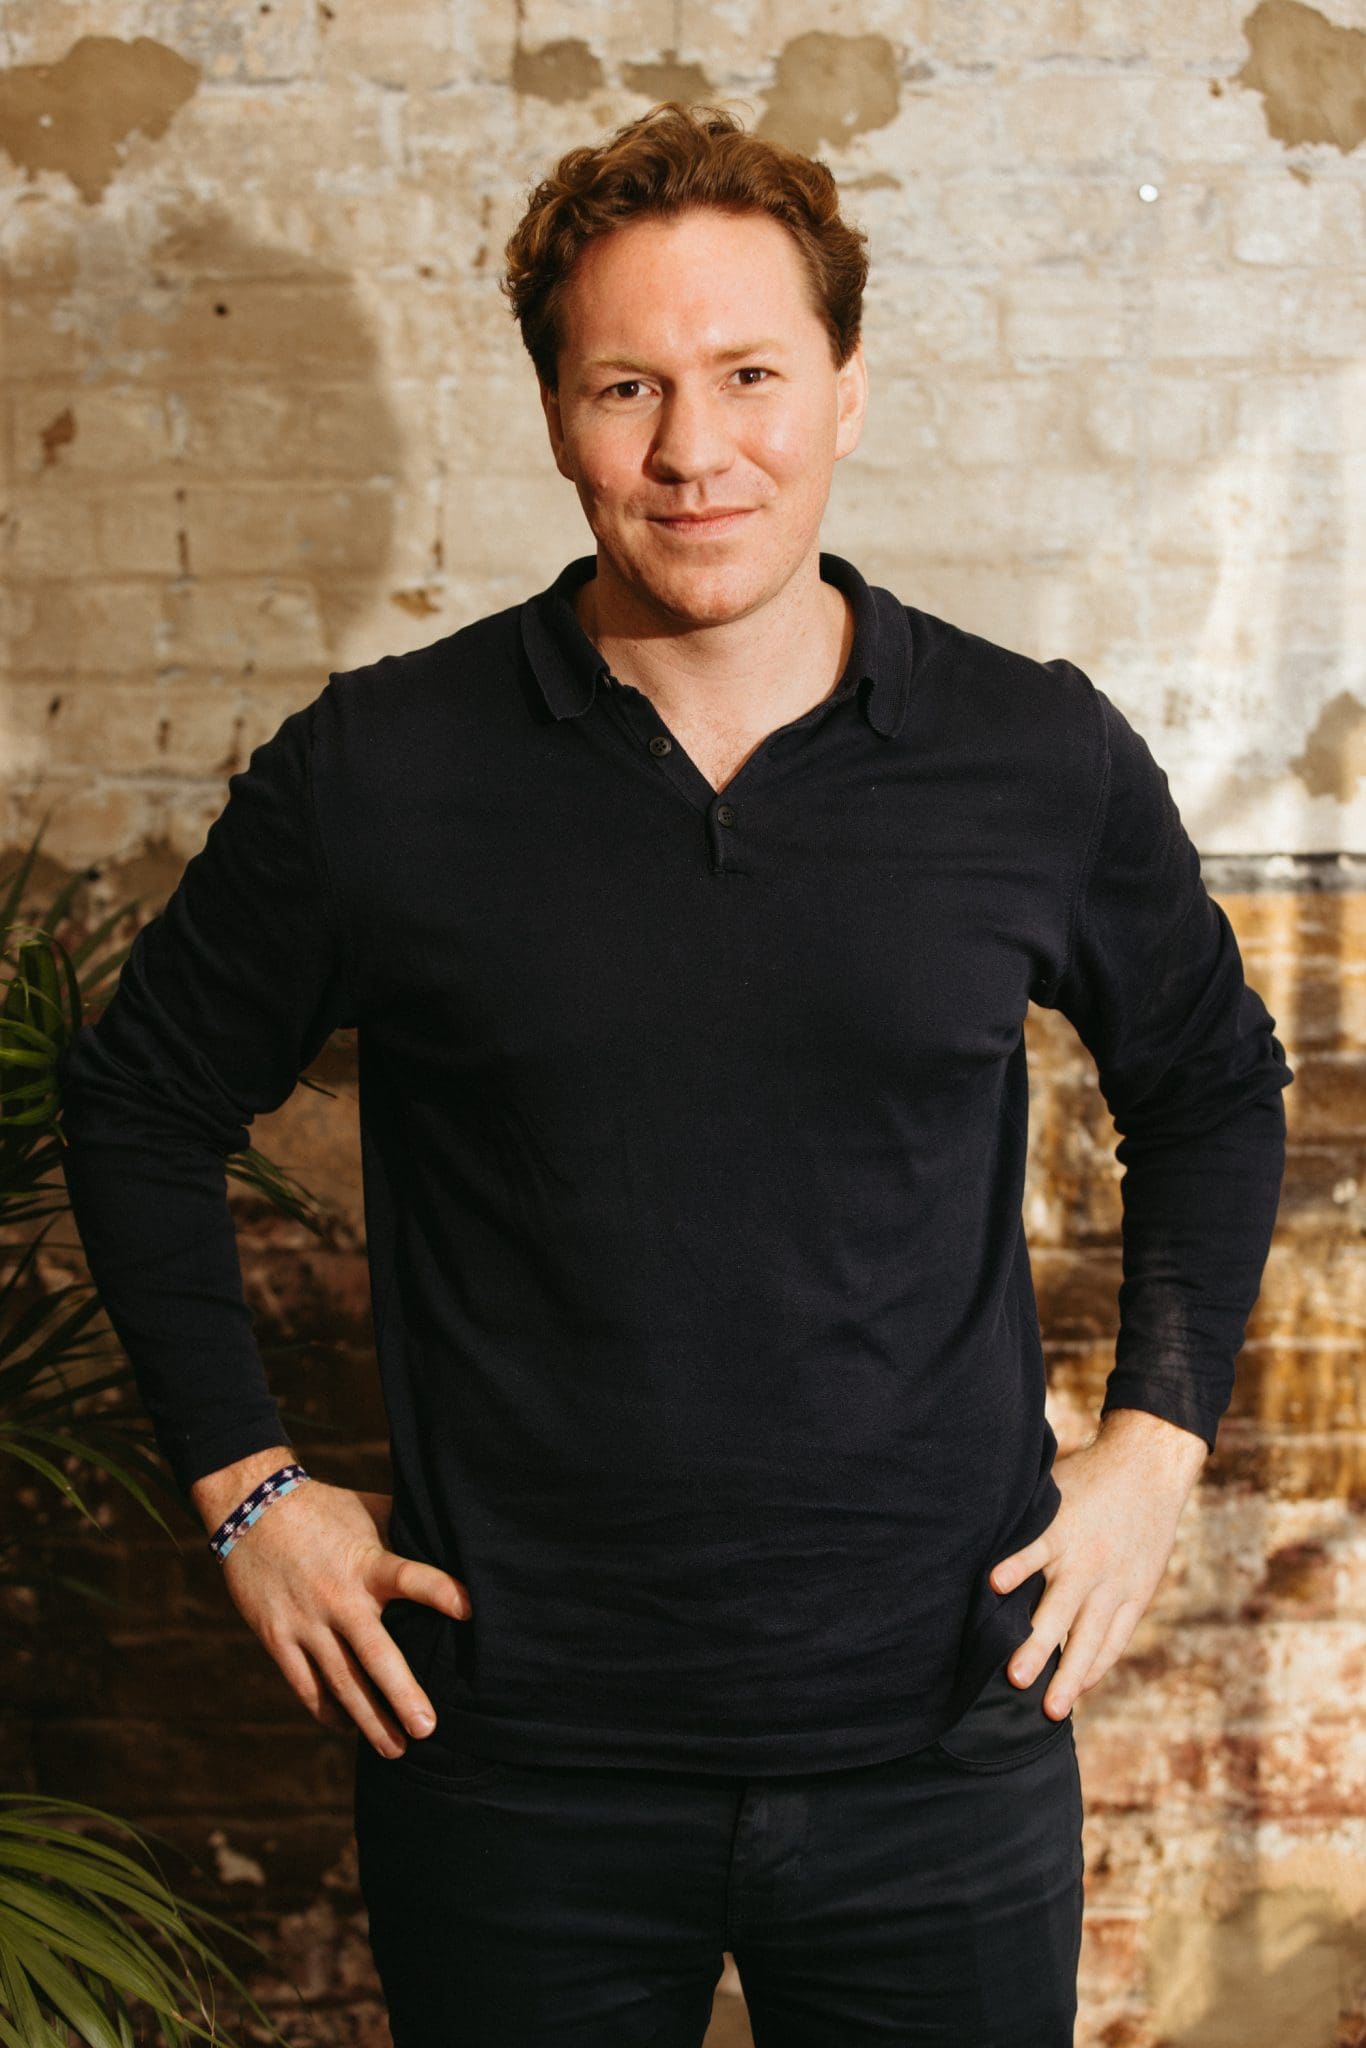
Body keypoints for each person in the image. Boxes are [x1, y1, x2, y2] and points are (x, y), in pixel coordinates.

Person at [56, 100, 1293, 2047]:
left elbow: (1210, 1086)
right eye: (625, 385)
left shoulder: (1029, 756)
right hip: (509, 1762)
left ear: (845, 390)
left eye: (747, 376)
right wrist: (246, 1491)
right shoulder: (383, 773)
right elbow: (138, 1102)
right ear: (556, 417)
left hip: (941, 1743)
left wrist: (1154, 1445)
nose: (691, 450)